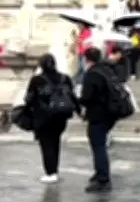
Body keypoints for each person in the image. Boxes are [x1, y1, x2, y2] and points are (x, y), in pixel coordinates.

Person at [24, 54, 79, 183]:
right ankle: (55, 170)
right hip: (61, 116)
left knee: (46, 144)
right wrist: (79, 110)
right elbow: (72, 96)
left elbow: (29, 98)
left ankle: (50, 172)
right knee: (55, 142)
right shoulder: (65, 78)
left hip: (43, 116)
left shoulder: (37, 80)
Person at [78, 47, 118, 193]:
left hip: (98, 114)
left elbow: (87, 97)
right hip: (110, 113)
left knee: (98, 146)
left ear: (86, 59)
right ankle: (99, 172)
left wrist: (79, 101)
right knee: (99, 144)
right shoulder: (106, 70)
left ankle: (103, 178)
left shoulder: (92, 74)